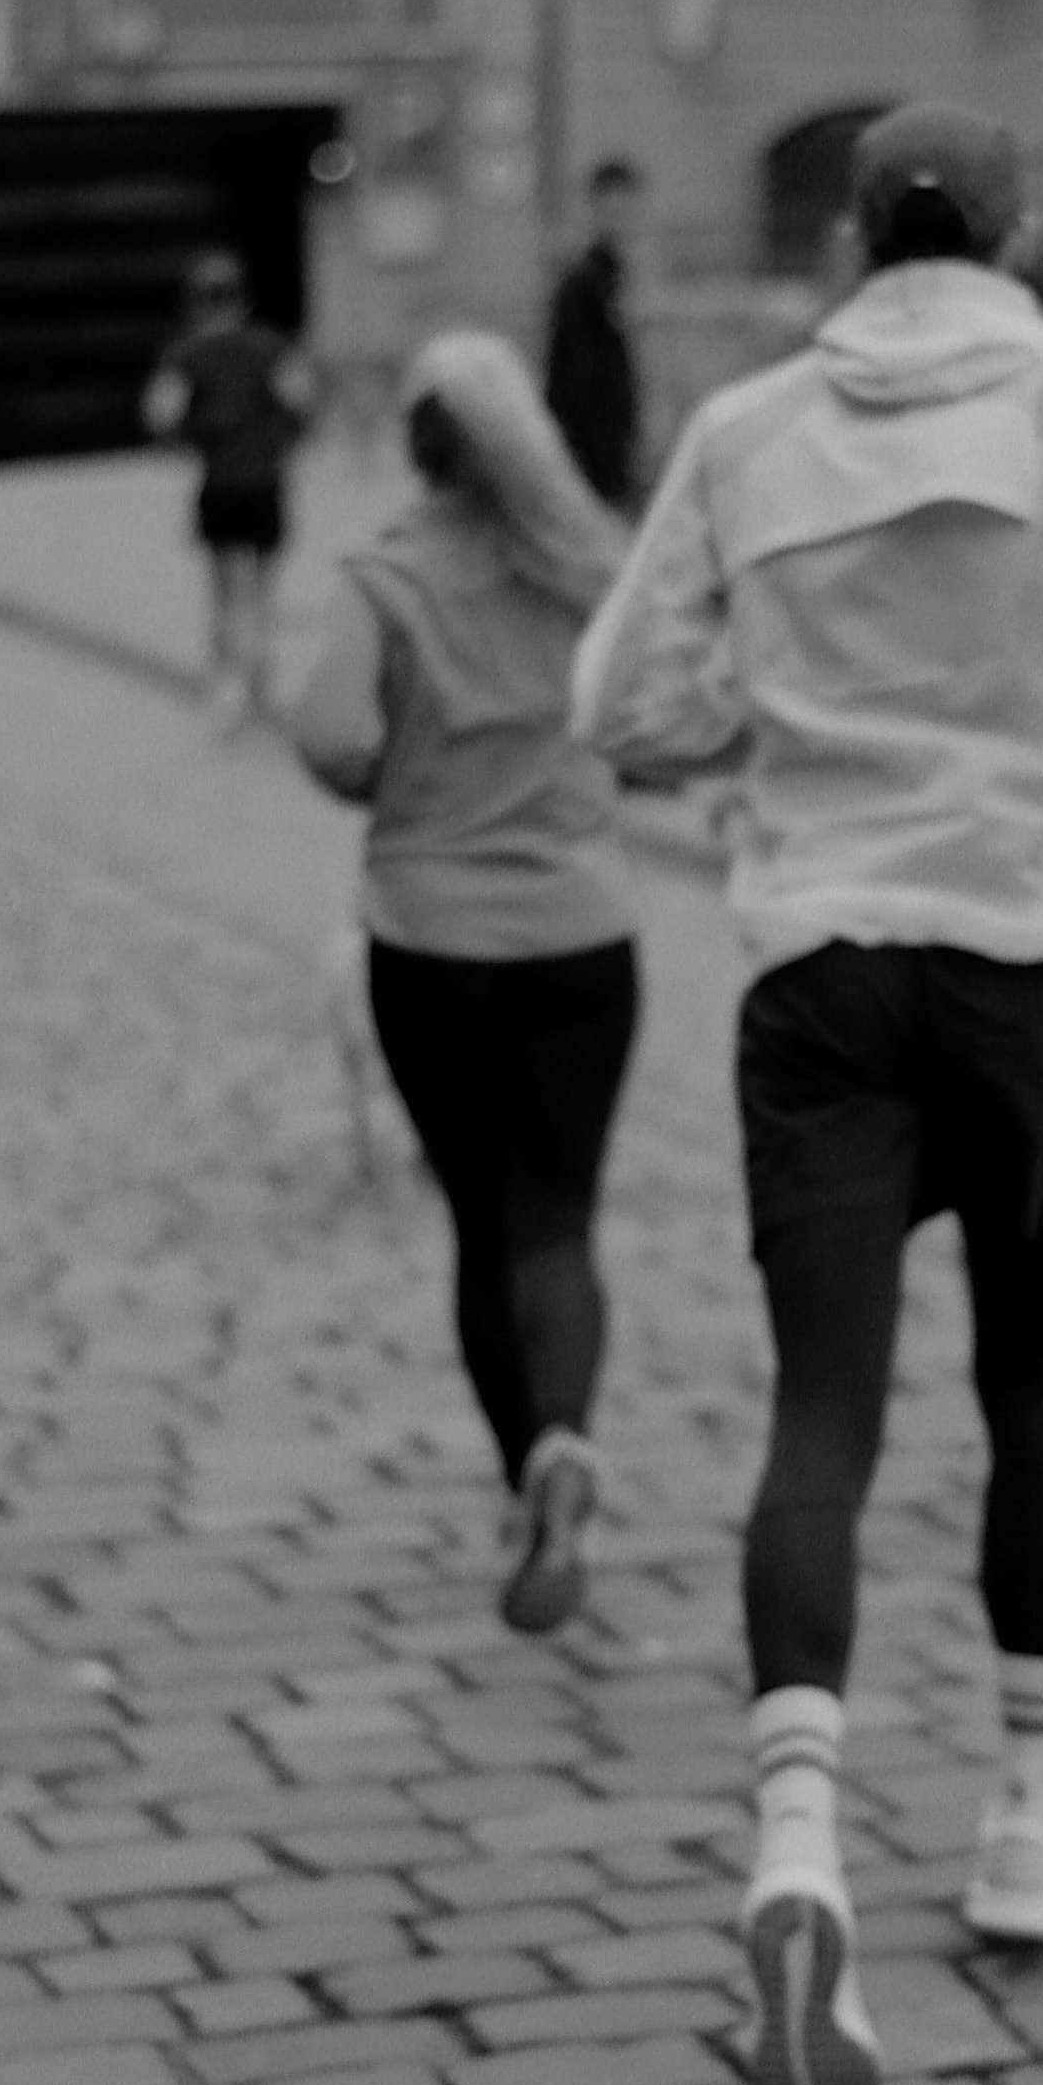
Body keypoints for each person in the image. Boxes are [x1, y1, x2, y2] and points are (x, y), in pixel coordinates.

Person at [574, 102, 1043, 2085]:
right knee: (1029, 1382)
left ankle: (795, 1845)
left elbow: (618, 704)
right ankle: (1027, 1811)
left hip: (821, 966)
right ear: (1021, 224)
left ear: (850, 239)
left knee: (820, 1412)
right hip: (1028, 948)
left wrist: (761, 731)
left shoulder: (748, 426)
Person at [287, 330, 638, 1635]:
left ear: (415, 451)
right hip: (580, 934)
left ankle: (519, 1468)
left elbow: (329, 734)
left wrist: (395, 781)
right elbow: (652, 708)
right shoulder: (581, 571)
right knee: (560, 1215)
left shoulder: (383, 583)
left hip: (431, 941)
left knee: (482, 1221)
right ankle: (568, 1432)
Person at [144, 249, 315, 723]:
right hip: (266, 484)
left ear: (195, 303)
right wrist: (282, 442)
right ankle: (261, 678)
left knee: (222, 588)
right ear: (243, 298)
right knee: (262, 586)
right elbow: (301, 400)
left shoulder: (185, 355)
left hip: (219, 486)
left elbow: (162, 413)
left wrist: (189, 443)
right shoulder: (271, 347)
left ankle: (225, 678)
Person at [543, 158, 644, 511]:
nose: (621, 221)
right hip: (592, 454)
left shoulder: (608, 278)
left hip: (604, 449)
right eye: (612, 209)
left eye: (625, 210)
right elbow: (575, 377)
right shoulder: (585, 285)